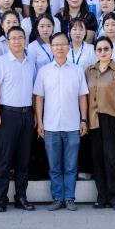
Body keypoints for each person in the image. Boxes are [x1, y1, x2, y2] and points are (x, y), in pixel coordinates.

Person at [33, 32, 89, 211]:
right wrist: (40, 122)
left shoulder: (77, 70)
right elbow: (39, 98)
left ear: (69, 46)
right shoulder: (44, 71)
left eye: (63, 44)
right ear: (51, 47)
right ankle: (57, 198)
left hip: (73, 126)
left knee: (71, 166)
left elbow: (82, 97)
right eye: (56, 44)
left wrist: (83, 120)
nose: (59, 47)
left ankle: (70, 198)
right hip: (50, 126)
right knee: (54, 167)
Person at [0, 27, 39, 211]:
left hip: (26, 114)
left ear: (25, 40)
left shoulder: (30, 63)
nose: (17, 41)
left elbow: (34, 92)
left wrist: (35, 114)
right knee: (4, 160)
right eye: (13, 38)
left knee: (23, 159)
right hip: (7, 115)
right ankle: (1, 199)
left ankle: (21, 197)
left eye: (20, 38)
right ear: (8, 41)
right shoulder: (1, 62)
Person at [84, 35, 115, 210]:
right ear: (95, 52)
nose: (102, 52)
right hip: (94, 119)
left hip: (113, 118)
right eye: (99, 49)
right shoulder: (89, 71)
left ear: (112, 50)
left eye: (106, 48)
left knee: (113, 159)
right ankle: (102, 196)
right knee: (98, 159)